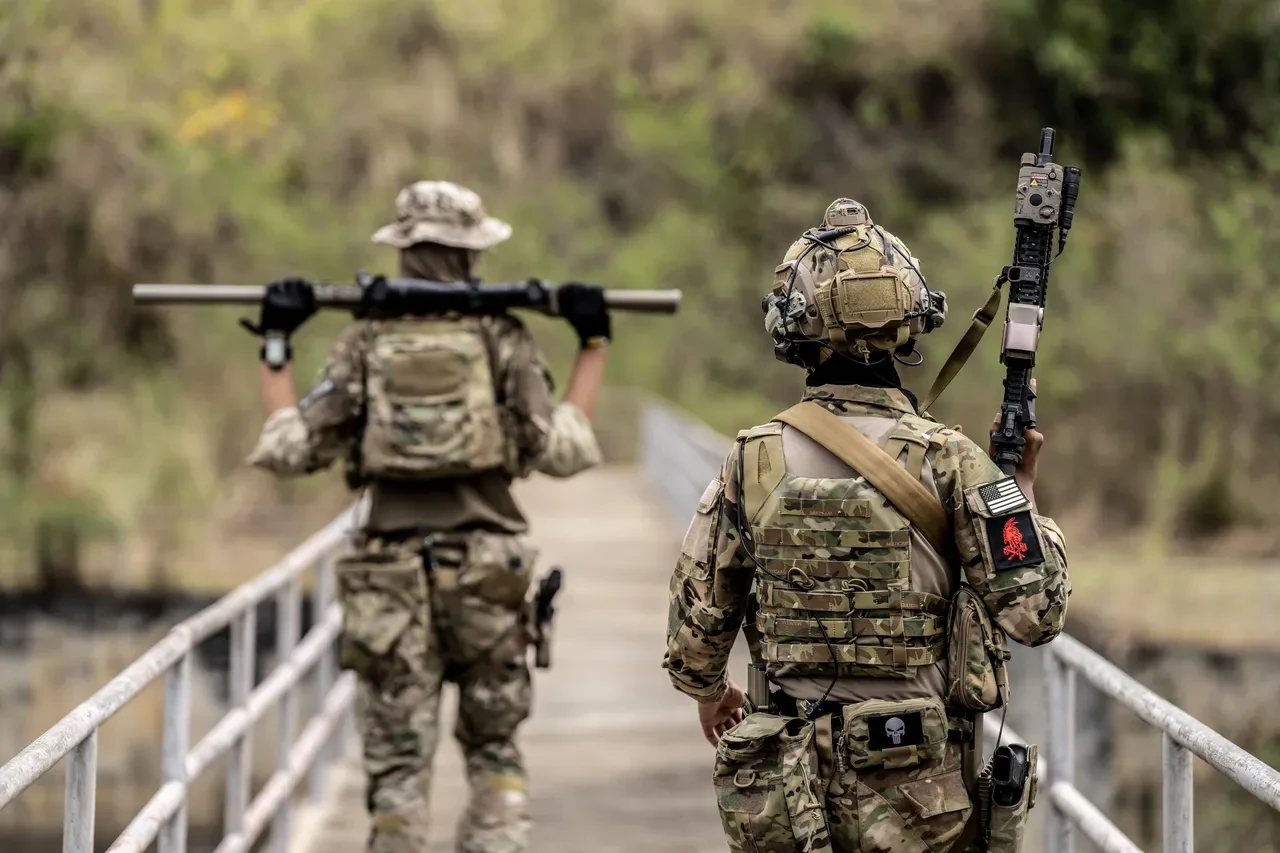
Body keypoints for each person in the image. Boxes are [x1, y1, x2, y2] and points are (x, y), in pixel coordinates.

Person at [663, 199, 1070, 853]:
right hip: (922, 797)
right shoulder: (955, 461)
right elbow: (1037, 612)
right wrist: (1019, 492)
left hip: (787, 797)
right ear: (912, 324)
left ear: (791, 329)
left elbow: (695, 634)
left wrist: (711, 693)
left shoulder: (751, 459)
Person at [242, 181, 611, 853]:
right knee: (495, 755)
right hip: (490, 581)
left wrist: (275, 340)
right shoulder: (502, 337)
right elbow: (559, 451)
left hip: (388, 584)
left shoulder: (365, 339)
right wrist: (592, 341)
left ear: (403, 251)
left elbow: (292, 448)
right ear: (473, 253)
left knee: (396, 777)